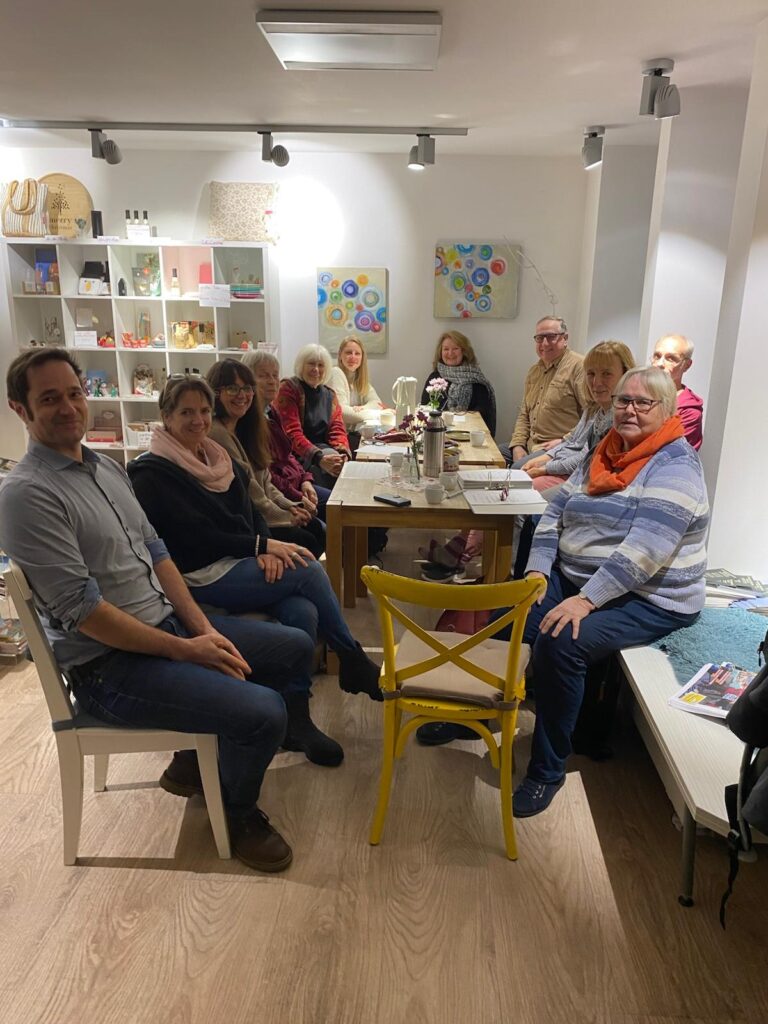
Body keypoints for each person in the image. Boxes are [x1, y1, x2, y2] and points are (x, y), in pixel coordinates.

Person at [0, 347, 303, 873]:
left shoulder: (105, 468)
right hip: (108, 668)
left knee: (294, 648)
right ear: (19, 409)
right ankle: (237, 814)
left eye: (74, 393)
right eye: (49, 399)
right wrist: (187, 650)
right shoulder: (27, 494)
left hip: (164, 628)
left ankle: (192, 761)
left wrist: (202, 630)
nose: (68, 407)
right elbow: (85, 613)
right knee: (265, 712)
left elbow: (157, 552)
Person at [420, 368, 709, 819]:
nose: (629, 410)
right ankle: (479, 715)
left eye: (643, 402)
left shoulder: (676, 466)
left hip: (650, 596)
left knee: (561, 642)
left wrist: (587, 599)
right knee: (508, 612)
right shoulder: (607, 448)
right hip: (578, 576)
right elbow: (555, 510)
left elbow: (645, 552)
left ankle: (547, 769)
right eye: (623, 401)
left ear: (667, 410)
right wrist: (538, 570)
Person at [126, 375, 383, 768]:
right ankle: (350, 657)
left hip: (234, 562)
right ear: (166, 416)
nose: (198, 420)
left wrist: (265, 547)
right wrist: (260, 547)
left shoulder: (215, 456)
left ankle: (297, 719)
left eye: (203, 411)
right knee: (308, 568)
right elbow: (192, 540)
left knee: (303, 609)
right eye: (186, 412)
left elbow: (250, 510)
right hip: (195, 576)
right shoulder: (151, 473)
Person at [422, 341, 636, 581]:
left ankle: (501, 573)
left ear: (626, 374)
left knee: (511, 499)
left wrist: (545, 467)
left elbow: (584, 460)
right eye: (592, 374)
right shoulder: (594, 409)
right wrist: (534, 452)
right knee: (492, 486)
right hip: (559, 461)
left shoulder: (619, 416)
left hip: (579, 478)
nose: (596, 382)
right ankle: (470, 555)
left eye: (606, 374)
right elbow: (567, 439)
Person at [207, 359, 325, 558]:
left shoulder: (248, 425)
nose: (241, 395)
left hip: (268, 507)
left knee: (316, 528)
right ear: (215, 392)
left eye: (246, 388)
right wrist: (286, 515)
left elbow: (265, 480)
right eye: (232, 388)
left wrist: (291, 506)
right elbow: (250, 490)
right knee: (309, 538)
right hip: (245, 521)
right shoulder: (217, 433)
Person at [242, 349, 331, 522]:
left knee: (344, 504)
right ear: (247, 381)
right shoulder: (248, 421)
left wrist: (305, 480)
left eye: (275, 375)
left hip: (297, 484)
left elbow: (288, 454)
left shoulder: (271, 411)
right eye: (263, 376)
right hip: (281, 495)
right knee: (330, 521)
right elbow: (268, 475)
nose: (272, 381)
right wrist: (298, 496)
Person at [506, 316, 588, 466]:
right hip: (531, 444)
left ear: (565, 338)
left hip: (558, 448)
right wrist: (517, 444)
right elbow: (524, 414)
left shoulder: (580, 367)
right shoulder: (534, 371)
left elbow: (591, 415)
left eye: (551, 337)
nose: (544, 343)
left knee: (518, 468)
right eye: (539, 338)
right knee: (492, 455)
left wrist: (565, 440)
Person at [275, 344, 351, 489]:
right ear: (301, 365)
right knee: (327, 472)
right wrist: (319, 458)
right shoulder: (288, 388)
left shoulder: (330, 395)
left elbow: (337, 429)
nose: (316, 369)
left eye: (321, 365)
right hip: (296, 454)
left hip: (325, 453)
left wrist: (343, 454)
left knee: (340, 465)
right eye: (311, 364)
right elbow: (291, 433)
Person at [421, 330, 496, 436]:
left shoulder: (476, 379)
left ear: (464, 352)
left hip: (468, 435)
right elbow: (425, 408)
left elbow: (483, 415)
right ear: (440, 352)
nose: (450, 353)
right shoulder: (434, 378)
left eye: (455, 349)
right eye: (446, 349)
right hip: (437, 434)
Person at [650, 334, 703, 450]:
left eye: (671, 358)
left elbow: (665, 452)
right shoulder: (637, 393)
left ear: (687, 365)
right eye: (657, 356)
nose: (660, 364)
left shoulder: (689, 411)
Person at [327, 336, 383, 433]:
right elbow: (342, 413)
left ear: (362, 357)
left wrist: (362, 408)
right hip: (335, 436)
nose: (353, 357)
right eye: (348, 353)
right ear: (340, 355)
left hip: (350, 434)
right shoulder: (335, 373)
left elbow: (377, 404)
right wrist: (379, 414)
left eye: (357, 353)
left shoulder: (360, 380)